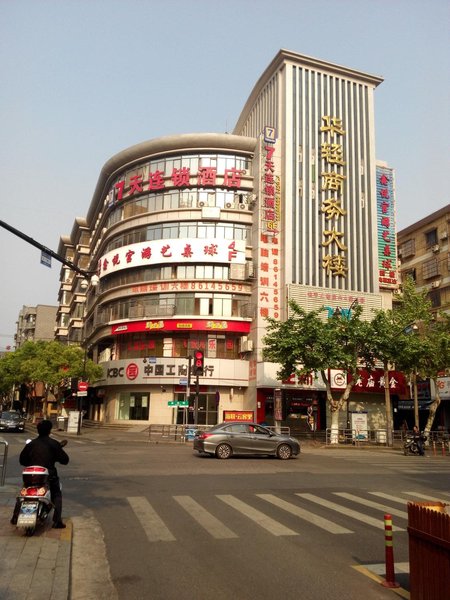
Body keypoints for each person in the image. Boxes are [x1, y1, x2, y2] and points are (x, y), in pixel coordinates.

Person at [11, 419, 69, 528]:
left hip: (30, 475)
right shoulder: (53, 444)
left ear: (37, 430)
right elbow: (65, 460)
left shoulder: (31, 444)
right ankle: (57, 521)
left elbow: (22, 460)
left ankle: (15, 517)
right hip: (48, 476)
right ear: (50, 430)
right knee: (56, 493)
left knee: (24, 491)